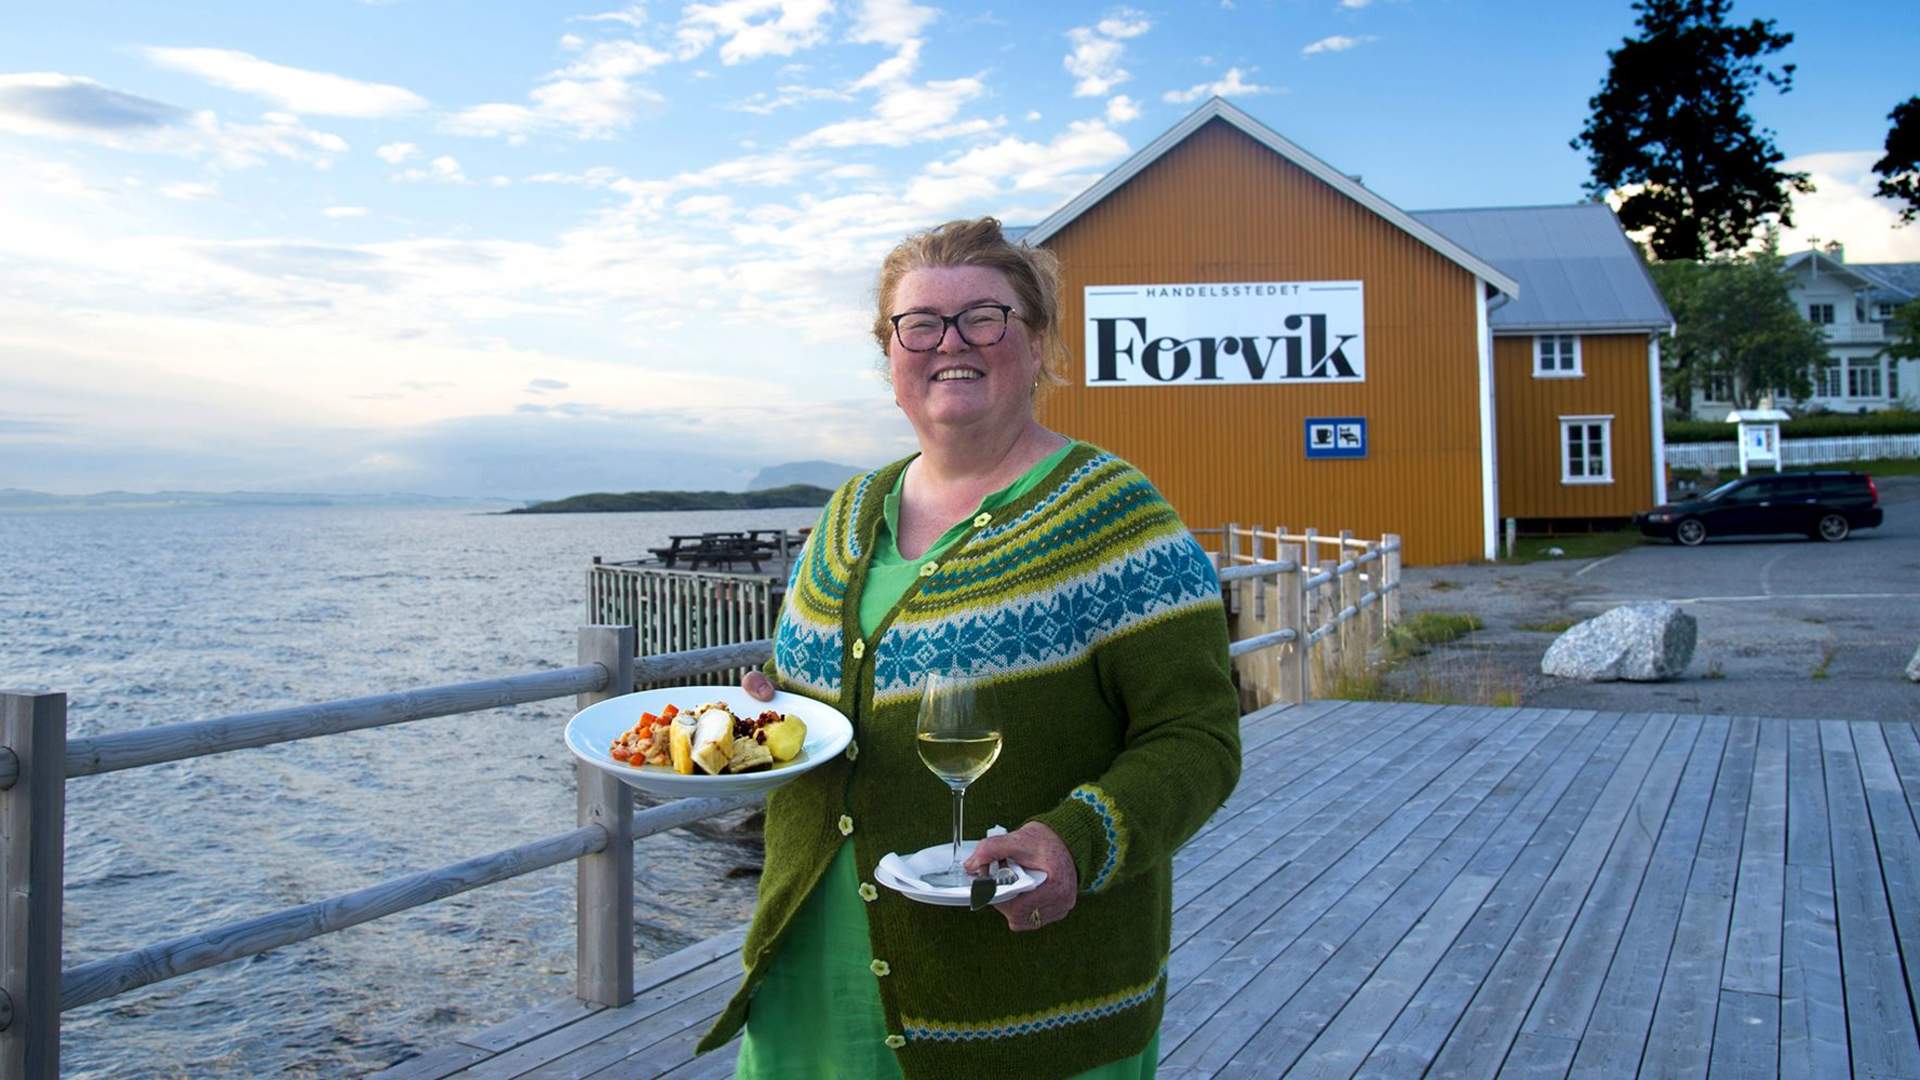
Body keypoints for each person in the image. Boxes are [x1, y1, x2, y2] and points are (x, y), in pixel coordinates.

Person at [695, 217, 1242, 1079]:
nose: (950, 342)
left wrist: (1076, 840)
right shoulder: (846, 514)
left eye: (983, 317)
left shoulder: (1115, 518)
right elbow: (815, 705)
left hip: (1021, 992)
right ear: (890, 356)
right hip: (814, 978)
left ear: (1034, 343)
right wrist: (766, 716)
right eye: (920, 324)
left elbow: (1200, 737)